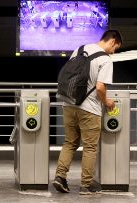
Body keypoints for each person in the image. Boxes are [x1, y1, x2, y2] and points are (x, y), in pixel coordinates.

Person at [53, 30, 122, 195]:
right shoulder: (105, 59)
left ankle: (60, 177)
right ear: (112, 41)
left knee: (70, 142)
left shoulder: (79, 49)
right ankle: (86, 185)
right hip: (89, 109)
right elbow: (100, 87)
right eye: (116, 48)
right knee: (90, 147)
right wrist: (107, 102)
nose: (114, 52)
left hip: (69, 104)